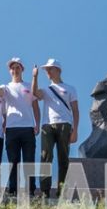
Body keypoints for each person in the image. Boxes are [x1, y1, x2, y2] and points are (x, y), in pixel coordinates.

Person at [33, 59, 80, 198]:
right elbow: (35, 93)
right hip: (47, 125)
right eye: (46, 70)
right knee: (46, 156)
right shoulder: (46, 90)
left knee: (63, 158)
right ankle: (45, 191)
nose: (47, 72)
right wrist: (34, 76)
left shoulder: (70, 88)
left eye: (50, 69)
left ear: (58, 70)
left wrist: (75, 130)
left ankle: (62, 191)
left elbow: (76, 110)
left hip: (65, 124)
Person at [1, 57, 40, 197]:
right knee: (13, 160)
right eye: (12, 68)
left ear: (22, 69)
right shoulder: (5, 88)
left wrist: (38, 124)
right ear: (10, 70)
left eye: (17, 67)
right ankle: (13, 189)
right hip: (11, 128)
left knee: (29, 159)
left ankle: (30, 190)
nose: (15, 70)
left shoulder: (30, 86)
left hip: (28, 128)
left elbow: (36, 106)